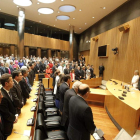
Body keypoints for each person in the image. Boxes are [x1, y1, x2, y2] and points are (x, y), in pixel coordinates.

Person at [0, 74, 18, 139]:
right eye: (11, 81)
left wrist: (15, 114)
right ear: (6, 83)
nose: (13, 82)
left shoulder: (8, 91)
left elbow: (12, 105)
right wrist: (14, 118)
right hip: (6, 127)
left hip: (10, 122)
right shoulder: (3, 97)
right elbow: (5, 113)